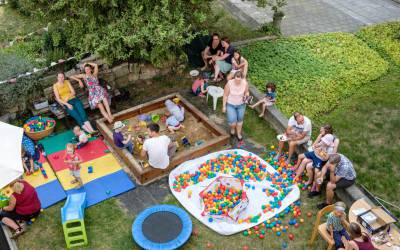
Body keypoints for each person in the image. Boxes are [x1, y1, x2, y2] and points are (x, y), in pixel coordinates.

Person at [293, 124, 335, 192]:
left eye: (325, 142)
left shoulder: (330, 148)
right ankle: (297, 174)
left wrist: (319, 151)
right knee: (301, 157)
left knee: (315, 170)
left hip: (319, 159)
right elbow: (315, 145)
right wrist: (318, 139)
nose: (323, 143)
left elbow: (325, 158)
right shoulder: (324, 139)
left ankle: (313, 184)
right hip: (314, 154)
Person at [222, 71, 249, 141]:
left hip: (241, 105)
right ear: (234, 78)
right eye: (236, 79)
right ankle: (232, 128)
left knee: (240, 120)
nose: (237, 81)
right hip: (230, 104)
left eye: (239, 80)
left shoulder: (245, 83)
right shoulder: (229, 83)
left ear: (241, 78)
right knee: (232, 122)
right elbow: (225, 95)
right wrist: (224, 106)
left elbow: (246, 92)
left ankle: (239, 134)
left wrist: (247, 96)